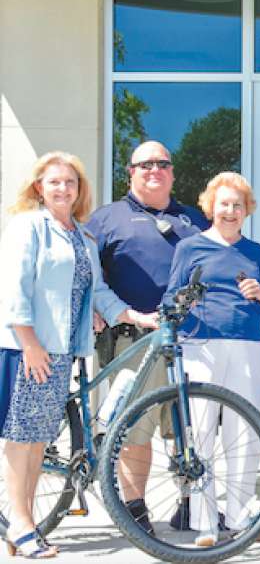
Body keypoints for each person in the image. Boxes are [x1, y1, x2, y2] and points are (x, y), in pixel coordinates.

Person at [0, 152, 157, 558]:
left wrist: (134, 315)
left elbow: (99, 292)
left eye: (70, 182)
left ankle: (25, 524)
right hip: (29, 348)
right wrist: (30, 344)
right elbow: (13, 288)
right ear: (39, 187)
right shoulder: (29, 226)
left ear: (79, 189)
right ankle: (19, 525)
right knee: (23, 440)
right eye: (54, 182)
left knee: (39, 441)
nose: (62, 188)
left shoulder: (83, 236)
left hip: (64, 349)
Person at [86, 140, 208, 534]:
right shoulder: (106, 219)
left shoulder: (194, 219)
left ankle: (190, 504)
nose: (154, 170)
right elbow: (86, 275)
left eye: (162, 164)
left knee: (190, 426)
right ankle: (135, 510)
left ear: (172, 172)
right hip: (136, 338)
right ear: (131, 172)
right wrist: (95, 311)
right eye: (145, 165)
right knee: (137, 428)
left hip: (193, 340)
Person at [164, 171, 260, 546]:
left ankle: (241, 516)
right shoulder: (190, 247)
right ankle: (206, 521)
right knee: (203, 431)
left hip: (248, 344)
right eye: (224, 204)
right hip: (202, 345)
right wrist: (184, 302)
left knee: (244, 432)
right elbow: (169, 300)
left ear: (247, 211)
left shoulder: (255, 251)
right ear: (211, 207)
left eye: (237, 205)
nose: (230, 211)